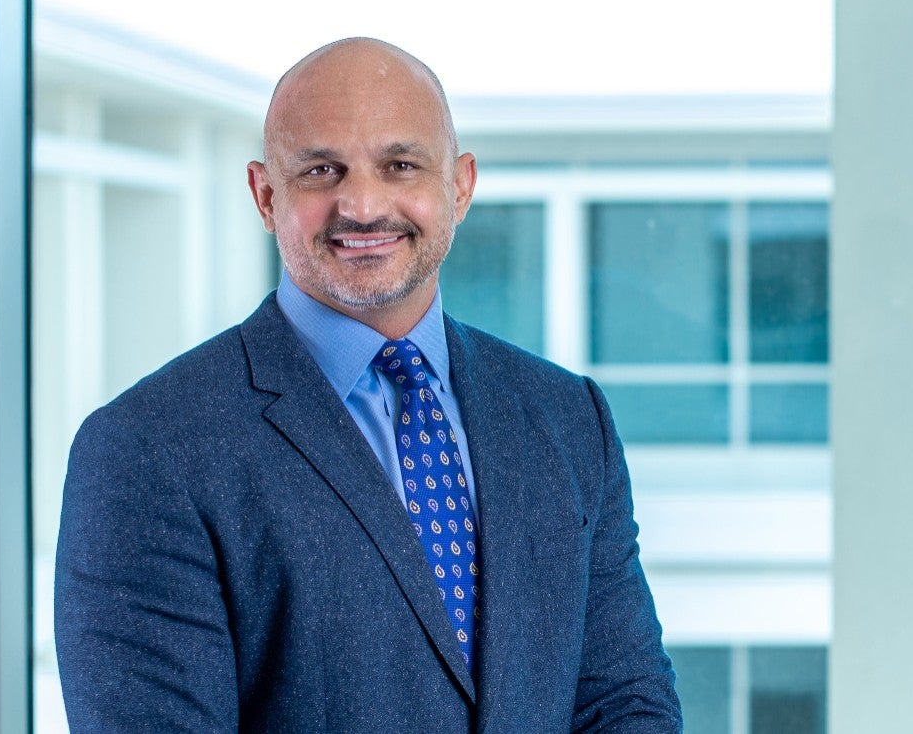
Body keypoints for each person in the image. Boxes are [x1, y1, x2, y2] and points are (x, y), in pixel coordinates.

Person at [55, 38, 681, 732]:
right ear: (265, 195)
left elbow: (627, 705)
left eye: (400, 165)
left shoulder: (566, 417)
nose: (360, 204)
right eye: (321, 170)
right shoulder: (147, 450)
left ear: (460, 187)